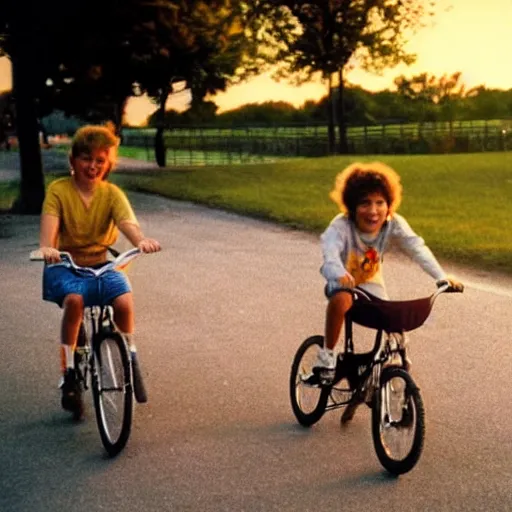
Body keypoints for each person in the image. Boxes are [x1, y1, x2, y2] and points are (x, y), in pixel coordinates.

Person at [316, 161, 463, 421]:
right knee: (340, 300)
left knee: (396, 328)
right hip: (343, 281)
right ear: (351, 207)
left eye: (380, 202)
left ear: (389, 204)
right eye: (365, 203)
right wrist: (338, 274)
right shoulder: (341, 226)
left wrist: (441, 278)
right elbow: (329, 254)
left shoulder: (392, 223)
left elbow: (416, 247)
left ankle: (386, 384)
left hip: (372, 285)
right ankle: (327, 357)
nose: (373, 211)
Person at [38, 124, 161, 416]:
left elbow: (126, 222)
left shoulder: (112, 194)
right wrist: (47, 247)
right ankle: (69, 370)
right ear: (73, 160)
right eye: (85, 158)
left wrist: (140, 241)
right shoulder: (59, 190)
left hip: (101, 263)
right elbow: (49, 227)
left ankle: (130, 355)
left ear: (108, 164)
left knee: (123, 299)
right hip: (65, 264)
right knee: (74, 301)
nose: (92, 166)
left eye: (99, 160)